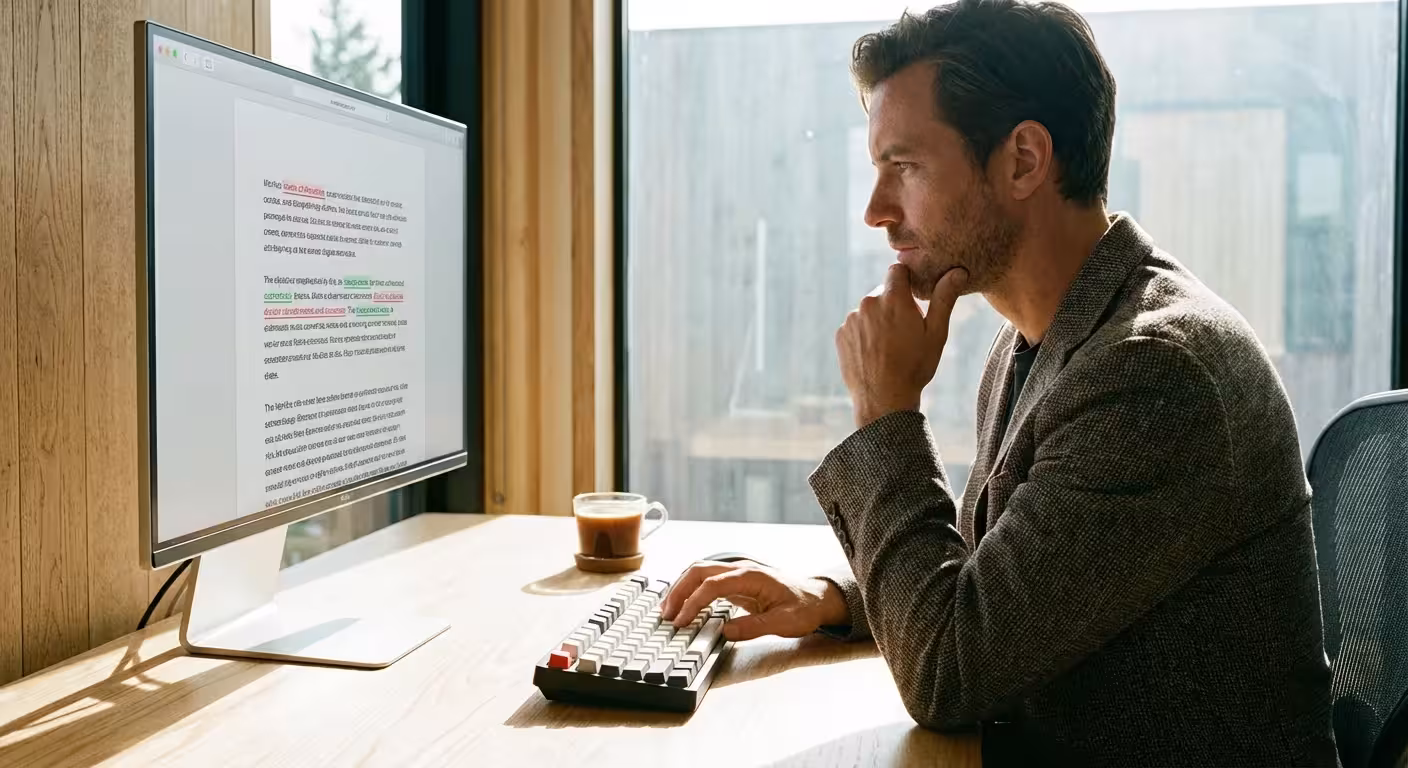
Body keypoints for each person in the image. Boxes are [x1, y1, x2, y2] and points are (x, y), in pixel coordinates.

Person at [659, 0, 1338, 763]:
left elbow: (950, 674)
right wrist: (833, 602)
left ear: (1022, 159)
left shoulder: (1153, 373)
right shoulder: (1043, 339)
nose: (875, 211)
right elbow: (1001, 589)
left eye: (904, 167)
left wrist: (887, 414)